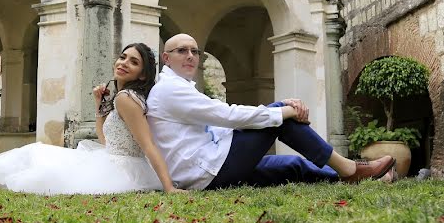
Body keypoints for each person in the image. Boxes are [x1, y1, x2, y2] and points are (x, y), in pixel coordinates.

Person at [0, 43, 184, 195]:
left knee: (37, 162)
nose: (124, 62)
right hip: (111, 159)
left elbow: (148, 145)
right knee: (33, 154)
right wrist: (98, 107)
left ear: (142, 74)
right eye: (123, 56)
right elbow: (107, 141)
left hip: (123, 169)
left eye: (134, 62)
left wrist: (169, 188)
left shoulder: (127, 98)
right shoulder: (123, 97)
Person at [146, 33, 396, 190]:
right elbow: (228, 115)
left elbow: (218, 126)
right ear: (166, 59)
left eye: (194, 51)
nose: (190, 56)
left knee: (293, 165)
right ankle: (350, 169)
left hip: (209, 169)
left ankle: (359, 177)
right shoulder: (170, 89)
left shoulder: (178, 87)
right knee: (277, 118)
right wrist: (282, 111)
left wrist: (275, 110)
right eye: (182, 51)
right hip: (205, 172)